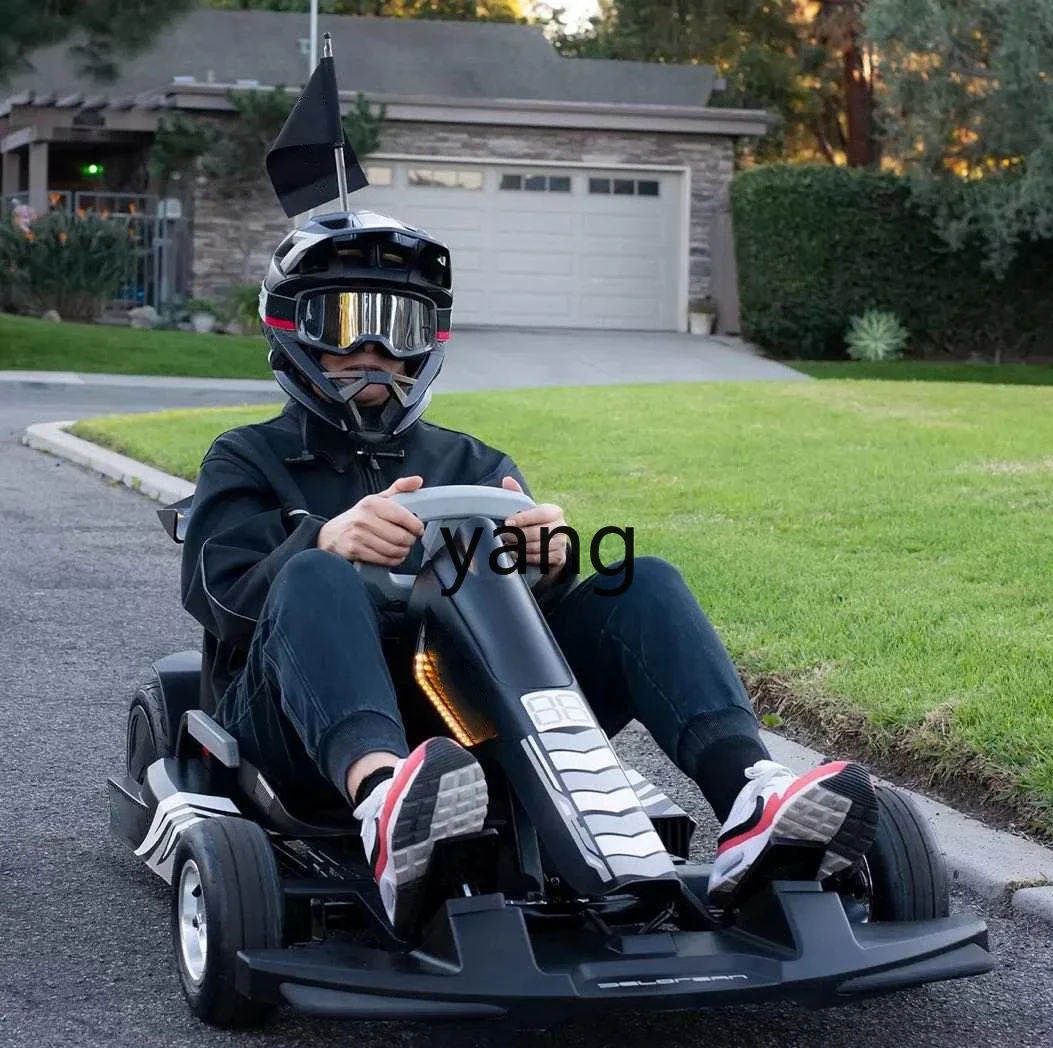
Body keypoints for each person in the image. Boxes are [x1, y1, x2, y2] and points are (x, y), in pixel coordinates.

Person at [180, 210, 879, 938]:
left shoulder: (474, 465)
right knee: (318, 575)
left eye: (400, 328)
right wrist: (323, 539)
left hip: (466, 718)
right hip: (295, 728)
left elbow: (516, 610)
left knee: (639, 578)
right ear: (294, 329)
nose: (375, 349)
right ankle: (390, 806)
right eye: (346, 323)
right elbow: (217, 595)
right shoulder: (246, 459)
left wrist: (548, 560)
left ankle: (751, 795)